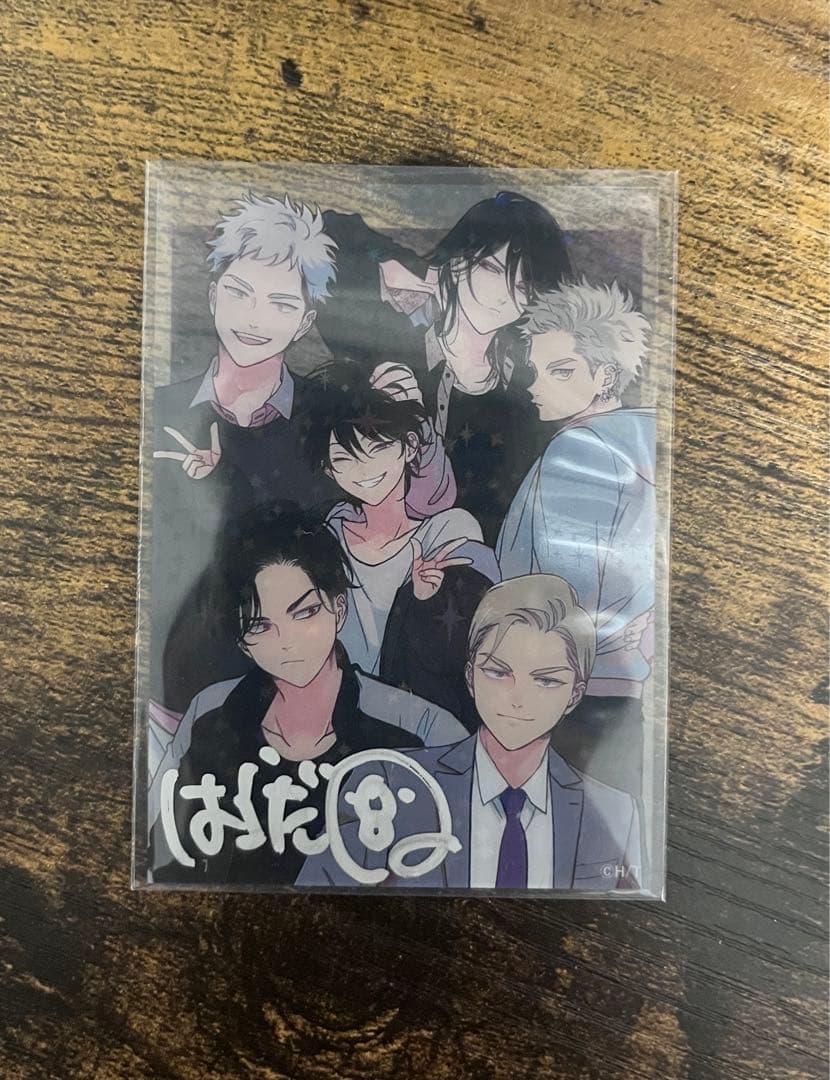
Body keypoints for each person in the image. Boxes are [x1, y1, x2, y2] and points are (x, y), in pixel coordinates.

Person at [150, 192, 453, 711]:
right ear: (213, 296)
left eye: (281, 304)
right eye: (240, 294)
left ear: (306, 322)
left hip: (322, 684)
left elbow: (423, 499)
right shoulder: (163, 411)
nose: (255, 319)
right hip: (189, 682)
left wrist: (413, 427)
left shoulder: (331, 416)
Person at [149, 506, 466, 886]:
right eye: (260, 626)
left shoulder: (421, 728)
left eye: (305, 612)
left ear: (339, 609)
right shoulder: (211, 713)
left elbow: (464, 859)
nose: (288, 642)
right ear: (242, 641)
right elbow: (159, 849)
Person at [296, 575, 641, 891]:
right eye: (498, 673)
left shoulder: (616, 813)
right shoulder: (387, 781)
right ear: (470, 675)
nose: (518, 698)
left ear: (575, 695)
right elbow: (314, 903)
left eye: (546, 680)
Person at [317, 192, 575, 544]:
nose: (502, 296)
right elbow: (326, 229)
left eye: (522, 286)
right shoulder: (391, 339)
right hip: (380, 548)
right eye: (490, 269)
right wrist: (401, 264)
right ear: (456, 260)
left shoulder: (528, 380)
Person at [496, 279, 655, 796]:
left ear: (605, 376)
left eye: (560, 370)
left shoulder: (578, 451)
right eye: (536, 370)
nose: (535, 386)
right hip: (623, 682)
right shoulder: (643, 442)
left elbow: (563, 591)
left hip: (565, 682)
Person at [301, 361, 499, 730]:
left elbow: (484, 648)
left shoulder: (449, 540)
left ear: (409, 447)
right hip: (334, 719)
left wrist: (426, 603)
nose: (363, 469)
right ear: (328, 469)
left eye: (377, 448)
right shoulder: (322, 539)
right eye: (344, 458)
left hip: (427, 724)